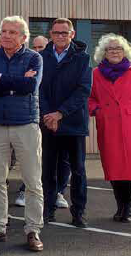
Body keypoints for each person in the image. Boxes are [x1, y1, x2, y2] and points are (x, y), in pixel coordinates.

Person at [0, 16, 45, 252]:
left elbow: (30, 87)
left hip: (26, 124)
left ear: (23, 37)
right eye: (3, 31)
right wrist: (14, 84)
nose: (6, 35)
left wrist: (1, 79)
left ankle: (33, 230)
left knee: (32, 181)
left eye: (12, 32)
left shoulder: (34, 57)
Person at [89, 33, 131, 223]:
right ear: (104, 53)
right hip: (108, 125)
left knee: (129, 167)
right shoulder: (96, 74)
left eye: (118, 48)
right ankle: (120, 205)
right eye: (110, 49)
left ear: (125, 51)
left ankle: (128, 206)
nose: (114, 52)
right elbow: (89, 97)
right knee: (113, 166)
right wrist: (97, 110)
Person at [38, 18, 91, 228]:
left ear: (72, 34)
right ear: (51, 34)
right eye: (56, 33)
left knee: (78, 170)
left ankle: (79, 212)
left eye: (64, 33)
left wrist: (60, 113)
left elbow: (83, 90)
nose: (60, 36)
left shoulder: (83, 58)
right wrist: (48, 115)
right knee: (48, 170)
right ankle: (48, 210)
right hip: (48, 122)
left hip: (73, 123)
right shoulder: (41, 57)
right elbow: (39, 88)